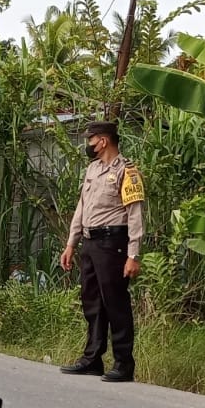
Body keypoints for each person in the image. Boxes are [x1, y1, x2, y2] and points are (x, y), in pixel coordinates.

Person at [59, 119, 146, 383]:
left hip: (113, 243)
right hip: (90, 242)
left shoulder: (127, 171)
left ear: (103, 140)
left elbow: (135, 214)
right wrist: (71, 243)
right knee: (92, 302)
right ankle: (92, 359)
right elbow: (81, 208)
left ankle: (123, 363)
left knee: (116, 303)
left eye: (91, 139)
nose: (89, 144)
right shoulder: (92, 169)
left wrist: (133, 254)